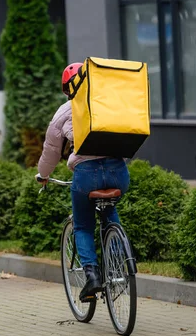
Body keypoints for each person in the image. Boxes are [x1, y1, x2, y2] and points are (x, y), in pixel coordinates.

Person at [35, 62, 130, 302]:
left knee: (83, 225)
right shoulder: (107, 102)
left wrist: (43, 175)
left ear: (67, 89)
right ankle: (120, 259)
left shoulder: (64, 111)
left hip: (86, 175)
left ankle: (92, 276)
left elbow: (51, 150)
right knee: (110, 211)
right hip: (119, 171)